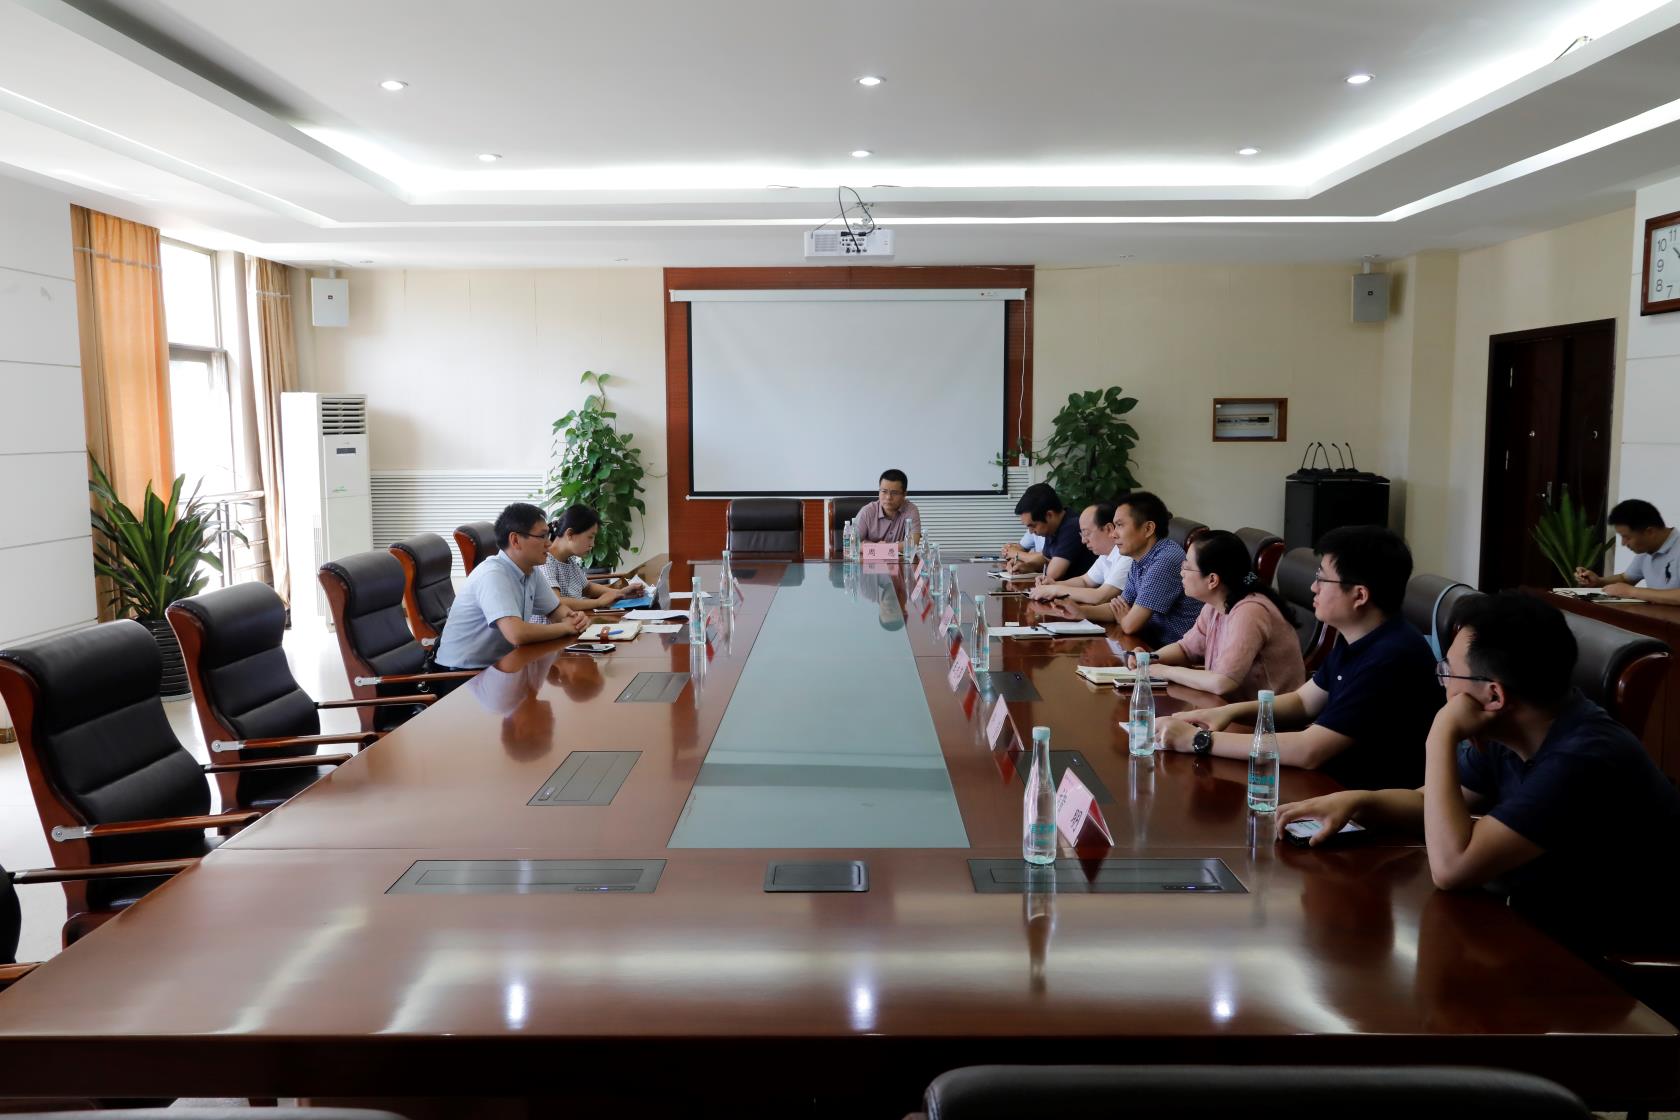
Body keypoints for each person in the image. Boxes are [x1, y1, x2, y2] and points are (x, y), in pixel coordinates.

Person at [1276, 592, 1680, 956]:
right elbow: (1429, 803)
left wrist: (1440, 734)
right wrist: (1359, 801)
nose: (1443, 684)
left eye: (1448, 672)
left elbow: (1453, 868)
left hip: (1609, 964)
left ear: (1494, 695)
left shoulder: (1583, 758)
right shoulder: (1515, 730)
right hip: (1537, 925)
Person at [1154, 525, 1441, 791]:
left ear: (1359, 596)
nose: (1314, 587)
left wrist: (1198, 740)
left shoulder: (1390, 656)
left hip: (1361, 803)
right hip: (1330, 785)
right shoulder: (1358, 639)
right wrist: (1229, 712)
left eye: (1322, 579)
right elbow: (1303, 701)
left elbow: (1309, 750)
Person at [1134, 529, 1305, 701]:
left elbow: (1223, 682)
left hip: (1265, 715)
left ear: (1212, 580)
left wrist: (1166, 671)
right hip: (1227, 706)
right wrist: (1148, 659)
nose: (1181, 572)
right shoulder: (1215, 604)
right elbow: (1186, 649)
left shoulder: (1250, 611)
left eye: (1187, 566)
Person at [434, 502, 590, 670]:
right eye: (542, 536)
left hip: (500, 667)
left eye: (548, 535)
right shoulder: (493, 574)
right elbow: (517, 634)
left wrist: (575, 619)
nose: (549, 544)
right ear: (515, 540)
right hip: (462, 674)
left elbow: (555, 610)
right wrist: (565, 627)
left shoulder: (531, 570)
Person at [1040, 491, 1200, 645]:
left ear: (1148, 529)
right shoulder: (1140, 558)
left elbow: (1130, 625)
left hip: (1175, 651)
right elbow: (1119, 607)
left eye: (1120, 525)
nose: (1113, 534)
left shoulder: (1165, 559)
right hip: (1149, 643)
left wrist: (1124, 618)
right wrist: (1080, 611)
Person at [1575, 498, 1680, 604]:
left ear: (1650, 532)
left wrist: (1633, 592)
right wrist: (1599, 581)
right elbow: (1626, 579)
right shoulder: (1647, 550)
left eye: (1627, 537)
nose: (1623, 543)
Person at [1027, 502, 1131, 607]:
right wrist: (1052, 584)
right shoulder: (1106, 555)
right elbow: (1085, 581)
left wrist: (1055, 590)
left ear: (1108, 529)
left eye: (1086, 533)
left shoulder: (1127, 556)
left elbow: (1101, 596)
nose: (1083, 540)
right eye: (1082, 534)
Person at [542, 504, 633, 611]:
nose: (592, 544)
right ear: (570, 534)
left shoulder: (569, 560)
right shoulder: (545, 561)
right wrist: (598, 602)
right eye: (590, 537)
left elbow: (587, 588)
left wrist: (620, 593)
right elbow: (556, 602)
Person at [1011, 482, 1094, 581]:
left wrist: (1030, 566)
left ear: (1049, 515)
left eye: (1033, 526)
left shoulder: (1072, 527)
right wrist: (1026, 566)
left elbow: (1053, 574)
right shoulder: (1053, 527)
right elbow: (1046, 560)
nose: (1031, 532)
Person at [852, 469, 921, 544]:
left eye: (894, 493)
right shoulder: (867, 511)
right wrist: (880, 547)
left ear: (904, 494)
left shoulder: (911, 510)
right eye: (884, 491)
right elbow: (852, 543)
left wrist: (883, 547)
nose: (888, 497)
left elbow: (913, 543)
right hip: (872, 553)